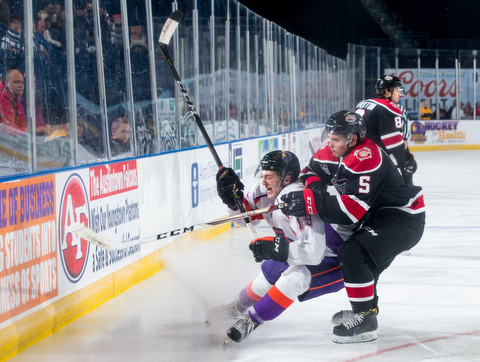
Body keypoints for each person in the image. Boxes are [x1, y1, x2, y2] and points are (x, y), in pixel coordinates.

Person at [280, 111, 426, 343]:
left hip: (402, 217)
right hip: (377, 216)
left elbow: (350, 212)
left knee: (353, 252)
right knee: (366, 263)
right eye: (329, 137)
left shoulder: (366, 156)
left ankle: (365, 317)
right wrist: (315, 190)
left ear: (353, 139)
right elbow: (310, 171)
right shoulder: (332, 150)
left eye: (336, 139)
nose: (330, 143)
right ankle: (366, 312)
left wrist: (309, 202)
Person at [208, 151, 350, 343]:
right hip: (306, 250)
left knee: (295, 278)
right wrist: (231, 201)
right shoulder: (266, 188)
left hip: (336, 260)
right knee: (270, 270)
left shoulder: (298, 197)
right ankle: (236, 308)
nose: (264, 182)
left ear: (287, 178)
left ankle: (250, 321)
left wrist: (277, 249)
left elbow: (313, 253)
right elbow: (246, 218)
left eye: (269, 177)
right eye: (263, 176)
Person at [355, 74, 417, 185]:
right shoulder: (389, 107)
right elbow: (394, 145)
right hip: (371, 162)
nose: (399, 94)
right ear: (387, 91)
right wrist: (406, 161)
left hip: (356, 159)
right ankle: (408, 193)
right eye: (397, 90)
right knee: (407, 163)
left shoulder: (363, 103)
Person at [0, 69, 27, 134]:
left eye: (22, 82)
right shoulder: (1, 99)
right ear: (6, 83)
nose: (20, 86)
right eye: (16, 82)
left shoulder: (14, 99)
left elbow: (21, 123)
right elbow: (7, 130)